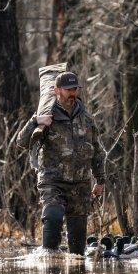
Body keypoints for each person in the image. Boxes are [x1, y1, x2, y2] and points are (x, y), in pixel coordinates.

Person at [17, 71, 105, 255]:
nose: (72, 93)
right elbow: (22, 142)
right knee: (53, 217)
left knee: (77, 241)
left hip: (80, 183)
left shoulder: (87, 119)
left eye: (74, 89)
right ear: (56, 91)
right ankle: (47, 262)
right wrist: (35, 122)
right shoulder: (45, 116)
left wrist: (100, 179)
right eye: (67, 90)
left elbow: (97, 150)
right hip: (52, 180)